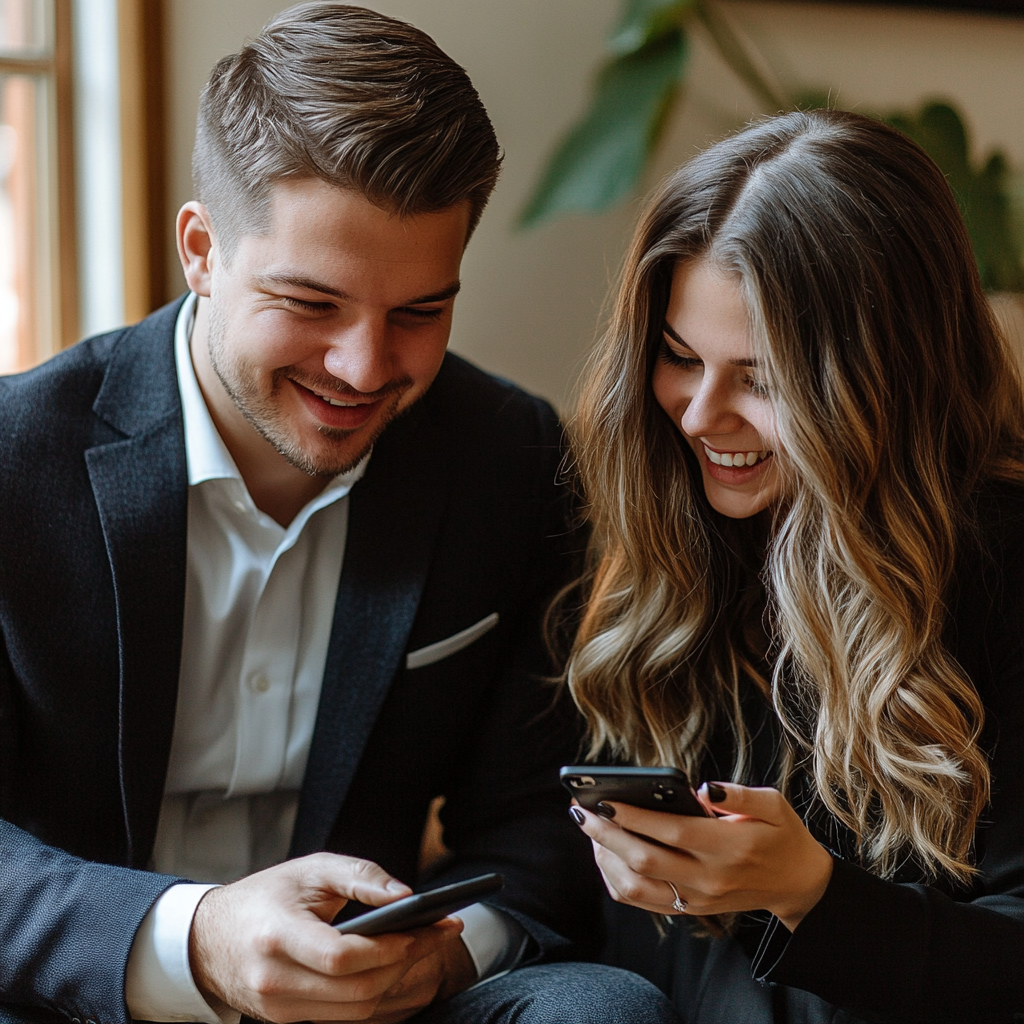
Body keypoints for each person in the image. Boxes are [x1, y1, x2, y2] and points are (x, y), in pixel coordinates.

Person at [0, 6, 679, 1024]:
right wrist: (193, 939)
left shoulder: (510, 457)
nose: (365, 369)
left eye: (419, 312)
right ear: (200, 249)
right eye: (310, 303)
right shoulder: (17, 458)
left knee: (603, 1009)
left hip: (380, 1007)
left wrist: (442, 962)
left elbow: (540, 817)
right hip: (79, 995)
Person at [564, 108, 1024, 1023]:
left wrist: (816, 897)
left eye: (762, 379)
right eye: (677, 358)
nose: (698, 415)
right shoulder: (674, 529)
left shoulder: (1001, 563)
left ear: (889, 373)